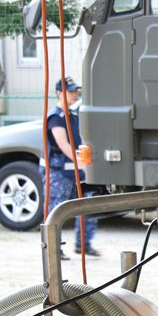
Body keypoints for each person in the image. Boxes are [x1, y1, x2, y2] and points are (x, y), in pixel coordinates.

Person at [44, 76, 97, 258]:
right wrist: (80, 162)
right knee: (55, 212)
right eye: (70, 91)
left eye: (76, 91)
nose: (75, 94)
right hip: (59, 173)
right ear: (59, 93)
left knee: (86, 206)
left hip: (75, 171)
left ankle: (84, 245)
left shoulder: (73, 116)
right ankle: (53, 249)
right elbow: (63, 144)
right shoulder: (56, 118)